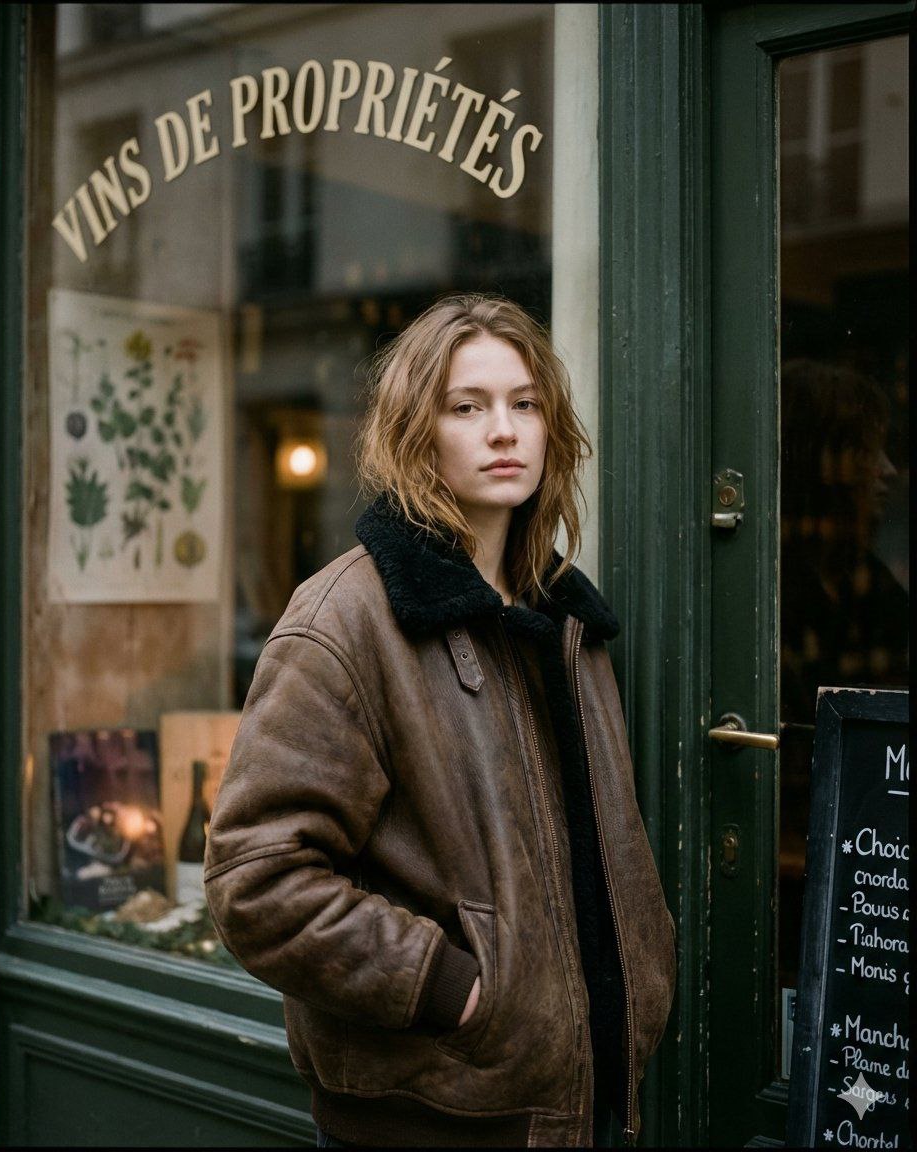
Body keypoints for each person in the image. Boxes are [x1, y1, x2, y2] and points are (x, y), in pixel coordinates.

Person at [205, 294, 676, 1148]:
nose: (505, 431)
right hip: (432, 1115)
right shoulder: (347, 620)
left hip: (586, 1104)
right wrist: (449, 987)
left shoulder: (566, 621)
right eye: (469, 407)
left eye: (525, 404)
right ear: (418, 431)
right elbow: (257, 879)